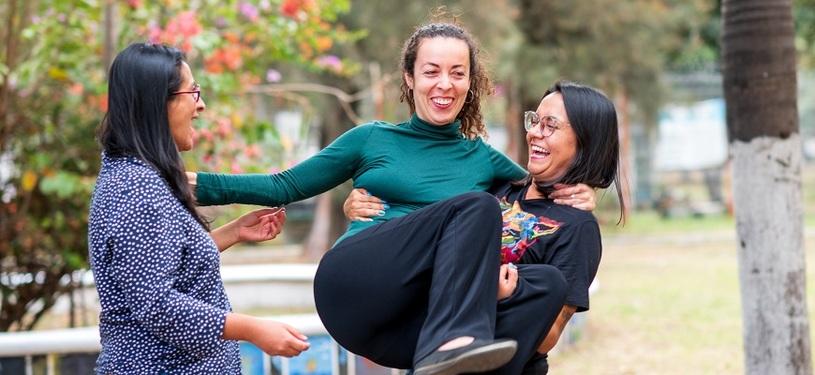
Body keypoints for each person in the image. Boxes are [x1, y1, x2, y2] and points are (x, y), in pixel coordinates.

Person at [189, 24, 593, 374]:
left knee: (546, 283)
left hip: (409, 316)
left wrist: (588, 187)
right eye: (431, 71)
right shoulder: (372, 139)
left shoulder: (482, 158)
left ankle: (454, 361)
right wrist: (187, 181)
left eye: (458, 73)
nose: (445, 85)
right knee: (478, 206)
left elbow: (539, 185)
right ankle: (456, 342)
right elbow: (283, 187)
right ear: (410, 77)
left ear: (471, 83)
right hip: (355, 282)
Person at [346, 80, 623, 374]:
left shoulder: (577, 227)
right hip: (440, 357)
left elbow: (548, 338)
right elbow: (421, 215)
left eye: (550, 125)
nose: (534, 133)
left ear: (585, 140)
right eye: (534, 121)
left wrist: (507, 295)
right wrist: (364, 202)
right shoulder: (496, 186)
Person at [87, 43, 309, 374]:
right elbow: (157, 305)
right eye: (193, 92)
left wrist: (233, 232)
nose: (201, 105)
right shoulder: (136, 189)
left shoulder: (138, 175)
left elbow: (158, 264)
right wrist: (251, 328)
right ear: (157, 103)